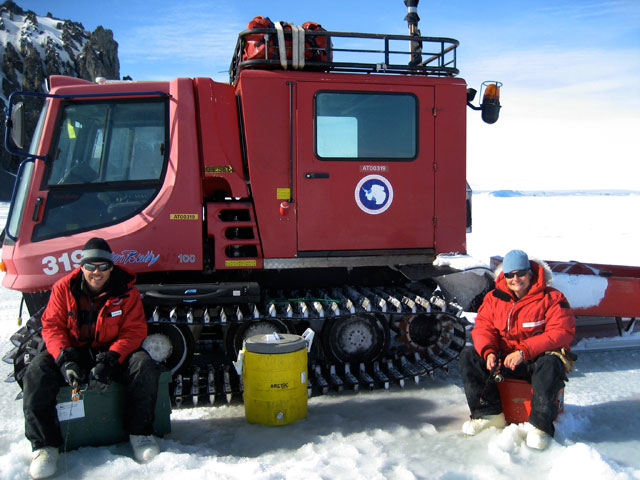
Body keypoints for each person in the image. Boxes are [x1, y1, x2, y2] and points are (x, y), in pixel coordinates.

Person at [22, 238, 162, 479]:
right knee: (36, 371)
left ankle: (141, 434)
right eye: (91, 266)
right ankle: (45, 447)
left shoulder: (127, 291)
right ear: (82, 266)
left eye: (103, 267)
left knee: (144, 366)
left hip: (111, 352)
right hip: (73, 350)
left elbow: (134, 330)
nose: (96, 273)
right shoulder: (63, 288)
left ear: (111, 267)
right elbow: (52, 326)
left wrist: (111, 358)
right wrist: (65, 360)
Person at [458, 249, 576, 450]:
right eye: (510, 274)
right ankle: (489, 413)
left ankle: (540, 426)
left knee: (551, 363)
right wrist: (489, 352)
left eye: (520, 273)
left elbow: (562, 331)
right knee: (469, 355)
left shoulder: (553, 298)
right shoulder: (494, 298)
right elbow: (483, 327)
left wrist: (524, 352)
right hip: (504, 360)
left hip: (535, 361)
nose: (515, 279)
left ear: (530, 272)